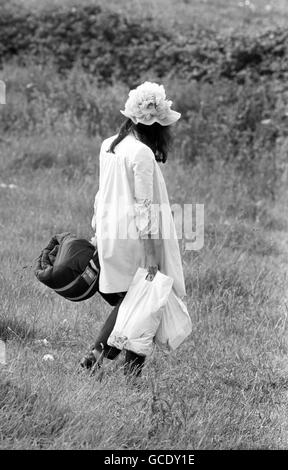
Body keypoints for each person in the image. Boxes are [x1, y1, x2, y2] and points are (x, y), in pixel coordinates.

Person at [80, 81, 186, 378]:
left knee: (130, 303)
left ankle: (97, 356)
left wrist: (97, 231)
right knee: (142, 307)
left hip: (111, 234)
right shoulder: (141, 153)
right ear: (156, 126)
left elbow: (102, 194)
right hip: (134, 241)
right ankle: (122, 370)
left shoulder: (109, 144)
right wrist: (152, 257)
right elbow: (144, 209)